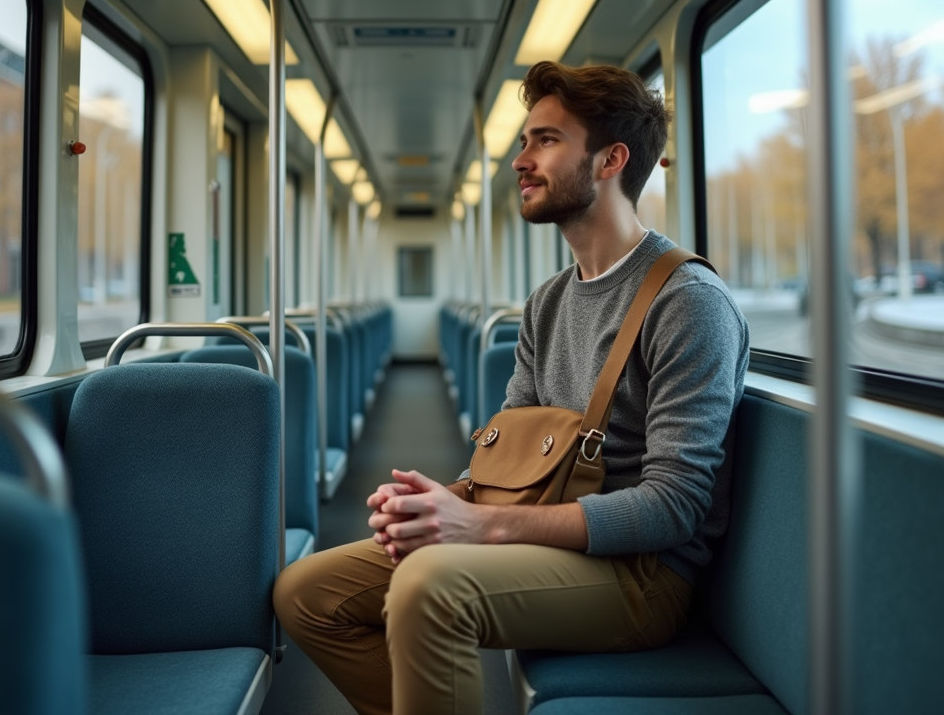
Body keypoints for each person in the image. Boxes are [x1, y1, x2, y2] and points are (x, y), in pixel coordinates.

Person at [273, 61, 750, 715]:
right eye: (523, 141)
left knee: (427, 587)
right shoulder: (548, 301)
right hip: (545, 533)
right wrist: (447, 500)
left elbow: (673, 507)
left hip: (641, 576)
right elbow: (511, 449)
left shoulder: (687, 302)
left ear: (611, 160)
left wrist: (481, 525)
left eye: (546, 140)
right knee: (304, 592)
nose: (521, 161)